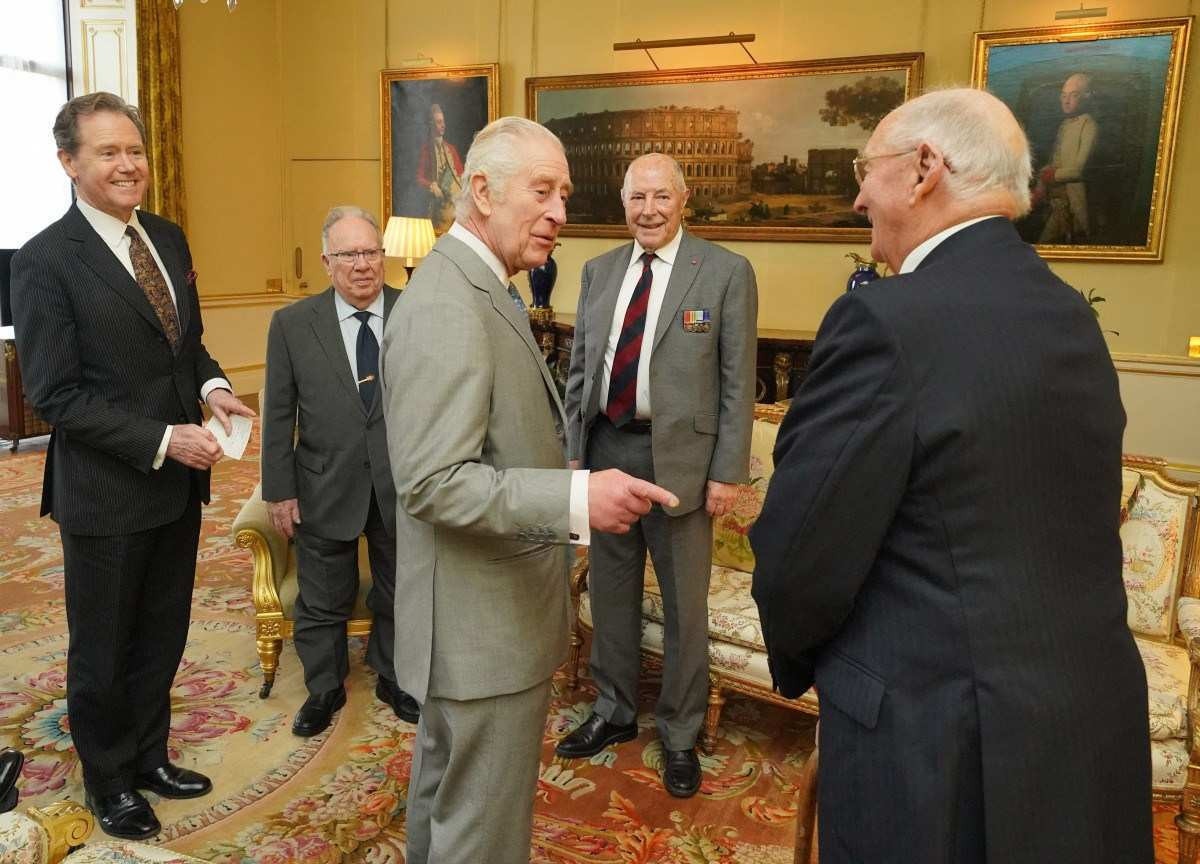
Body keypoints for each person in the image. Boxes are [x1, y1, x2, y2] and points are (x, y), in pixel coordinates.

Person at [749, 87, 1152, 863]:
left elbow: (802, 548)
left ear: (926, 168)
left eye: (868, 168)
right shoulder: (1071, 314)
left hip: (935, 739)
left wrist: (803, 661)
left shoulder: (885, 322)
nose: (860, 192)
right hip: (1084, 723)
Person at [380, 116, 678, 864]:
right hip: (480, 630)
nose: (560, 213)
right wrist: (574, 503)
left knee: (447, 805)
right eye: (542, 191)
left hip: (481, 621)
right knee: (481, 834)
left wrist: (562, 476)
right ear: (479, 191)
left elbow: (486, 442)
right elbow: (434, 483)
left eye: (566, 195)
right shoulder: (451, 302)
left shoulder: (482, 286)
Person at [10, 92, 255, 840]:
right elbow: (55, 394)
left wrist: (214, 388)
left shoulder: (169, 238)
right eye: (109, 152)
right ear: (69, 163)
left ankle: (149, 756)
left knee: (161, 633)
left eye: (135, 150)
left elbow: (190, 346)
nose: (129, 165)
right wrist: (161, 439)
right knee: (104, 649)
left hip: (178, 488)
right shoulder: (46, 260)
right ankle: (108, 780)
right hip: (108, 493)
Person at [556, 152, 758, 798]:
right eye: (637, 198)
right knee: (610, 595)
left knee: (683, 606)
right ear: (623, 203)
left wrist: (726, 472)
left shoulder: (725, 273)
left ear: (684, 198)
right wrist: (572, 455)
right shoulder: (598, 272)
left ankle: (679, 731)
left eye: (660, 198)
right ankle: (614, 710)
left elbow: (736, 384)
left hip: (684, 468)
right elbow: (580, 371)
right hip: (609, 452)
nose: (648, 210)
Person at [261, 205, 418, 738]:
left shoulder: (414, 310)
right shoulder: (292, 325)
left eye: (370, 252)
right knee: (322, 596)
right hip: (324, 482)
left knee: (401, 589)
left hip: (402, 484)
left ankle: (394, 676)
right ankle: (323, 687)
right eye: (348, 254)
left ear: (383, 256)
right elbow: (278, 413)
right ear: (327, 261)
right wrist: (279, 492)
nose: (361, 265)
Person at [1035, 72, 1098, 243]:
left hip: (1074, 201)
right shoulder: (1065, 125)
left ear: (1087, 97)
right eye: (1063, 95)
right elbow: (1056, 161)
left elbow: (1078, 170)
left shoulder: (1088, 125)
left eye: (1074, 95)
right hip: (1058, 201)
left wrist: (1051, 175)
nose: (1066, 100)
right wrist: (1042, 180)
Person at [415, 102, 463, 233]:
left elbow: (461, 177)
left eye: (443, 121)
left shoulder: (451, 149)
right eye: (439, 122)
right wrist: (432, 186)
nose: (443, 125)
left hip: (453, 206)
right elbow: (419, 178)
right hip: (436, 207)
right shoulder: (426, 149)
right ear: (431, 124)